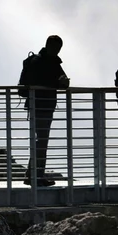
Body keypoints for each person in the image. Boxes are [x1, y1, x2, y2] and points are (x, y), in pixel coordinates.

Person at [18, 35, 69, 187]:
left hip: (42, 106)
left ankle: (31, 174)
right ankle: (36, 176)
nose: (57, 51)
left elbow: (60, 80)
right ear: (49, 46)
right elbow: (40, 81)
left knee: (40, 141)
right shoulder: (39, 62)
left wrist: (63, 82)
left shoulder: (50, 62)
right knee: (41, 141)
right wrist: (58, 82)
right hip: (40, 106)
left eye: (58, 48)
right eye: (55, 47)